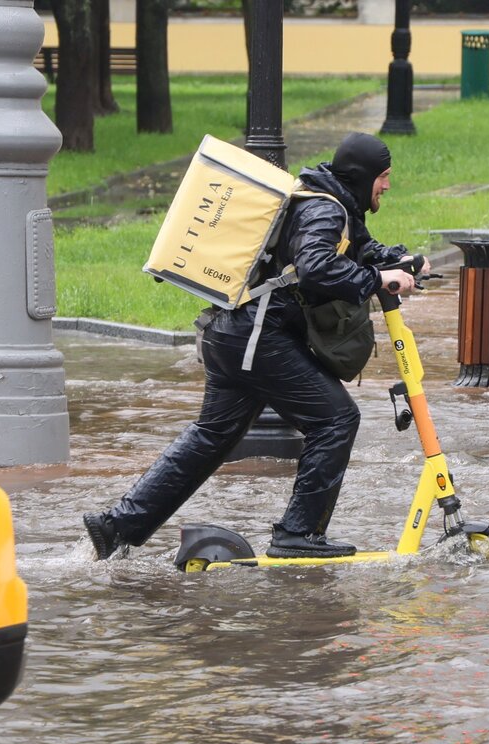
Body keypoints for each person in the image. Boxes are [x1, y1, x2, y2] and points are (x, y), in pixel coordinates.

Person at [81, 132, 429, 560]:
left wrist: (402, 261)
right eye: (384, 177)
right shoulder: (324, 209)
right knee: (337, 420)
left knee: (212, 437)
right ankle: (299, 534)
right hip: (257, 337)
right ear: (363, 176)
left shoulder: (330, 202)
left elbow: (357, 247)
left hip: (234, 333)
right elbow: (317, 266)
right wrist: (376, 280)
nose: (387, 186)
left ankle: (116, 525)